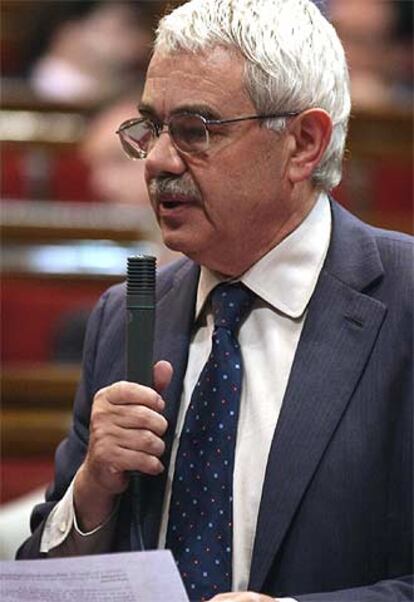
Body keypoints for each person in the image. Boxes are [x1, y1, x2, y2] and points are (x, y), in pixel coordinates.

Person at [17, 1, 413, 601]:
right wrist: (94, 488)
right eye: (151, 128)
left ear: (304, 143)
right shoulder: (124, 314)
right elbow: (44, 583)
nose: (158, 160)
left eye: (196, 130)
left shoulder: (404, 302)